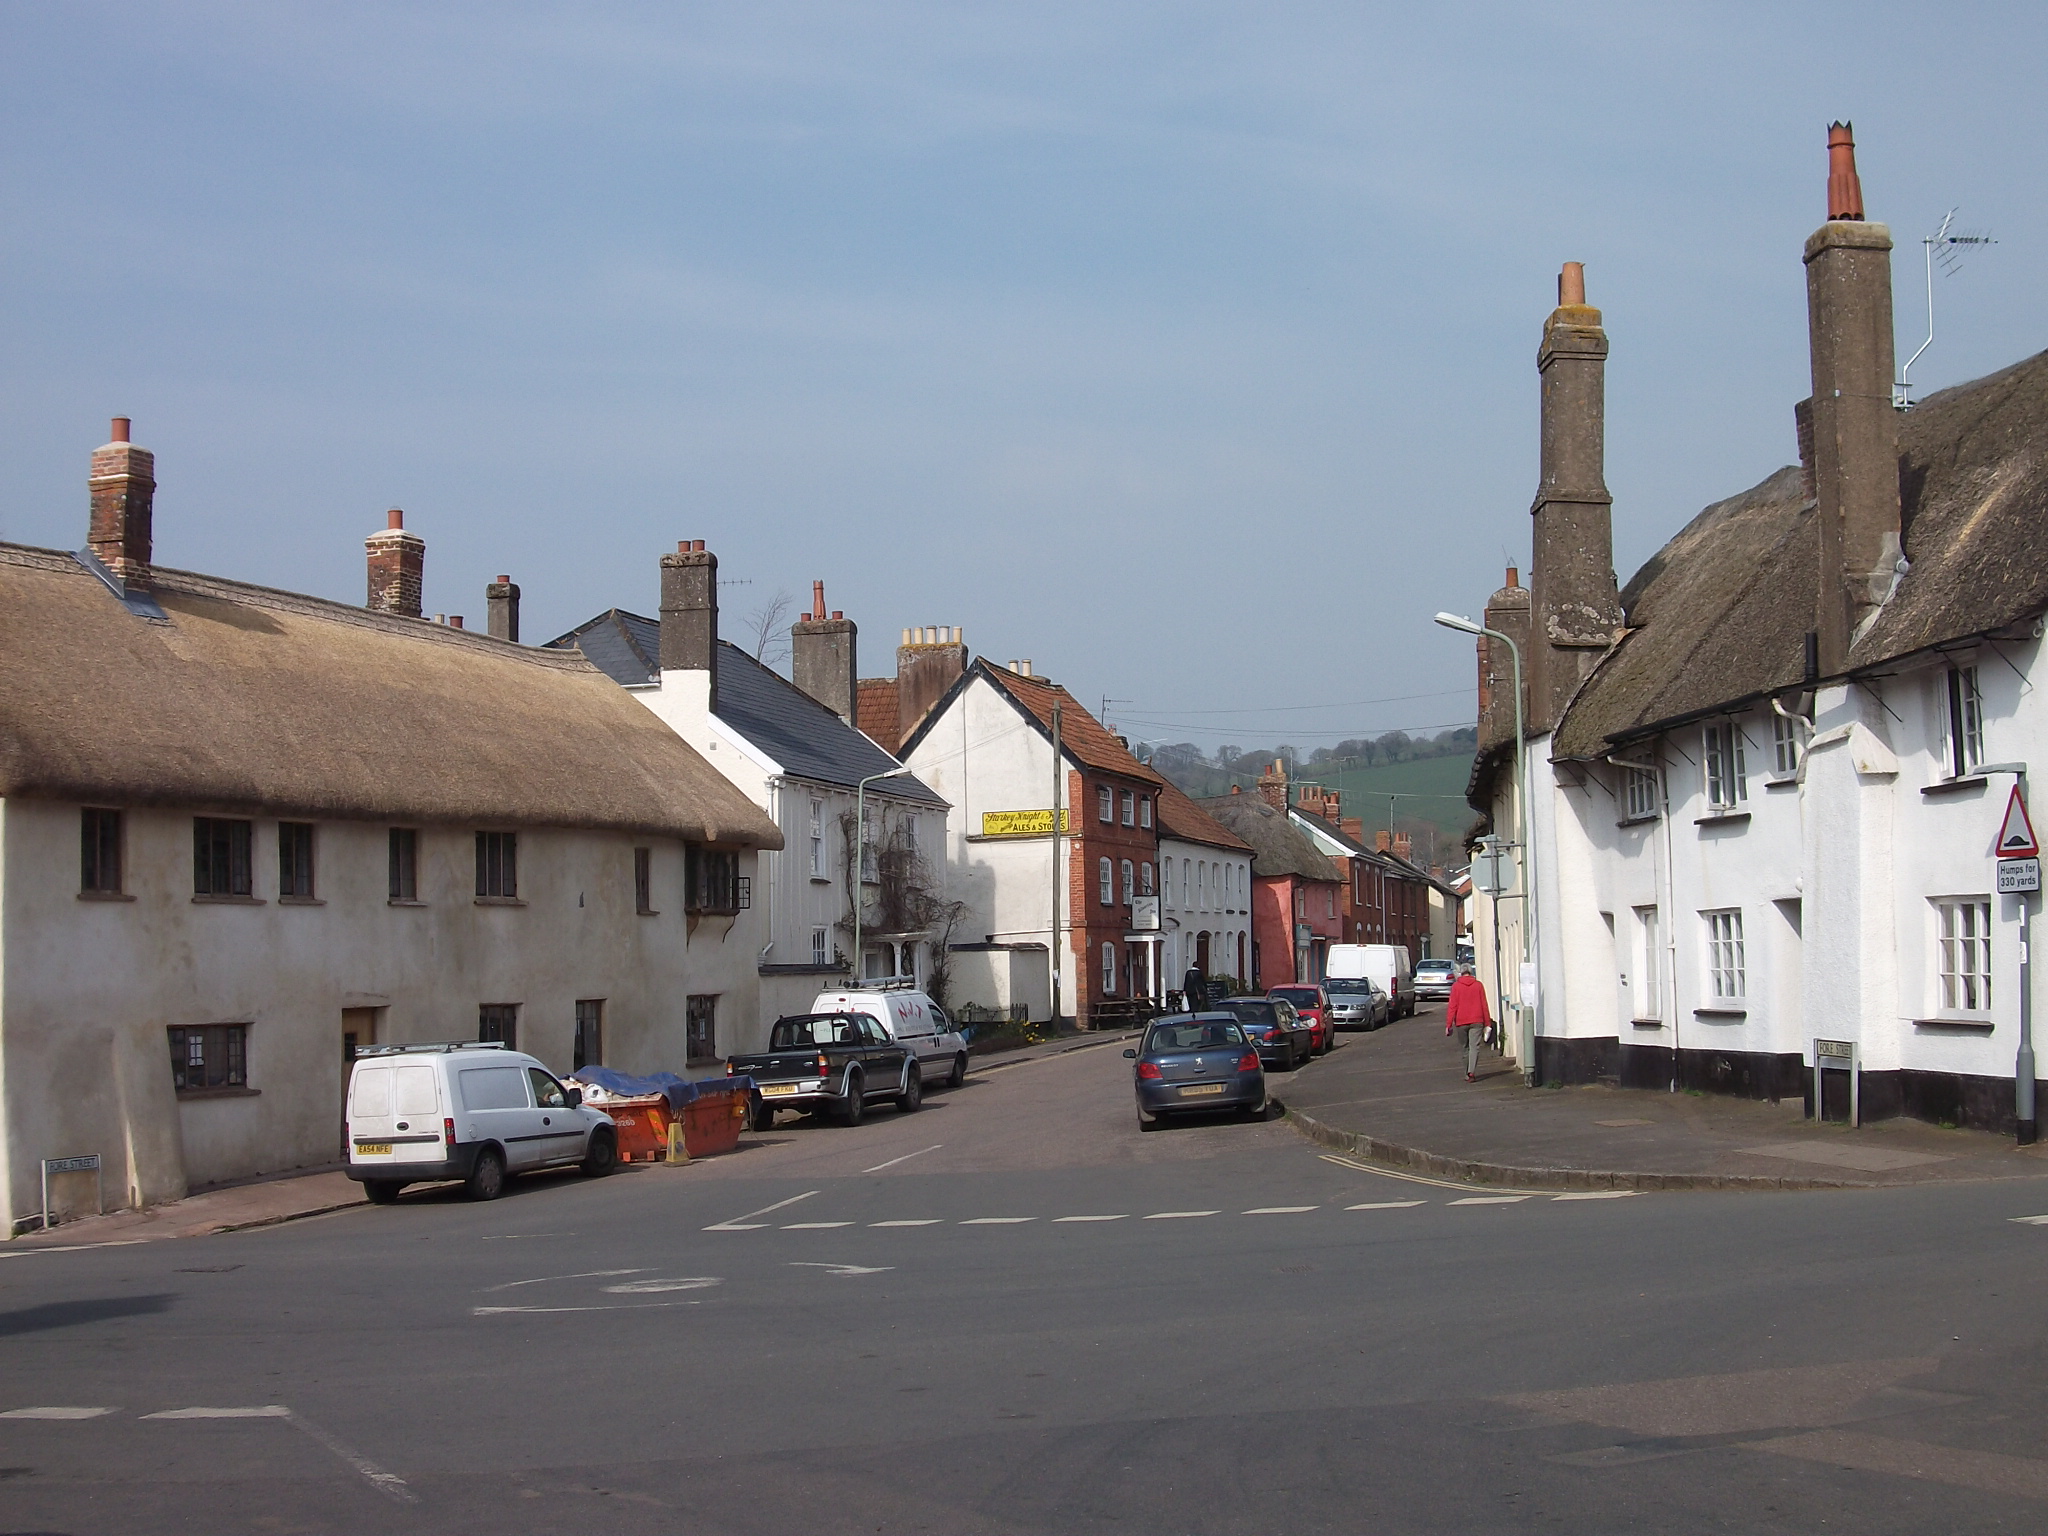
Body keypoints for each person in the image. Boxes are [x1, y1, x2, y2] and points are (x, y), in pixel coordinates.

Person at [1443, 963, 1490, 1082]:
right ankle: (1471, 1071)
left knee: (1465, 1047)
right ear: (1471, 972)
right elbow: (1484, 1005)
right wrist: (1487, 1023)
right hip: (1477, 1020)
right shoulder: (1478, 985)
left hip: (1461, 1021)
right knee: (1474, 1047)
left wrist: (1448, 1024)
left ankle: (1467, 1072)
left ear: (1461, 973)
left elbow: (1452, 1006)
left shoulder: (1456, 987)